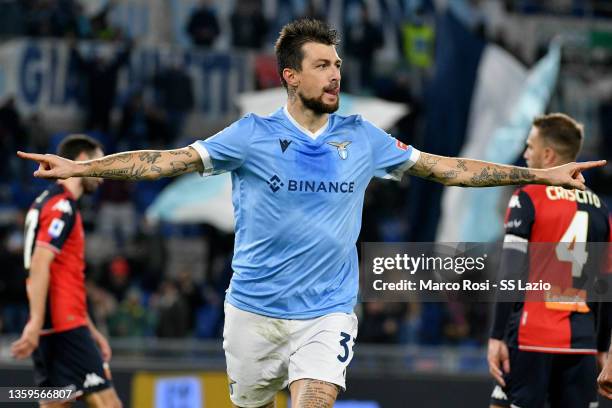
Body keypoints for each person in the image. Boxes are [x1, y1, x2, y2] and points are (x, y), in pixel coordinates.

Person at [17, 19, 606, 408]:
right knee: (249, 399)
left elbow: (448, 169)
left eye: (338, 64)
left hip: (326, 312)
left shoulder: (364, 137)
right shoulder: (250, 135)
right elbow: (163, 160)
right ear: (291, 76)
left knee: (315, 398)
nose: (336, 75)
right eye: (322, 65)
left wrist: (536, 175)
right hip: (252, 310)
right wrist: (84, 168)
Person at [487, 114, 612, 408]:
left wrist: (496, 336)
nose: (525, 153)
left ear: (548, 155)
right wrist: (601, 346)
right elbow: (605, 284)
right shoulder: (601, 209)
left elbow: (511, 273)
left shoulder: (527, 196)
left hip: (532, 334)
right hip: (581, 341)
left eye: (530, 146)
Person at [12, 135, 122, 408]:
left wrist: (91, 329)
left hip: (56, 326)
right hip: (64, 328)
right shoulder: (62, 206)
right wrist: (35, 323)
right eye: (100, 163)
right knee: (108, 404)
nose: (102, 174)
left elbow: (64, 277)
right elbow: (40, 262)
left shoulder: (44, 202)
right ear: (83, 160)